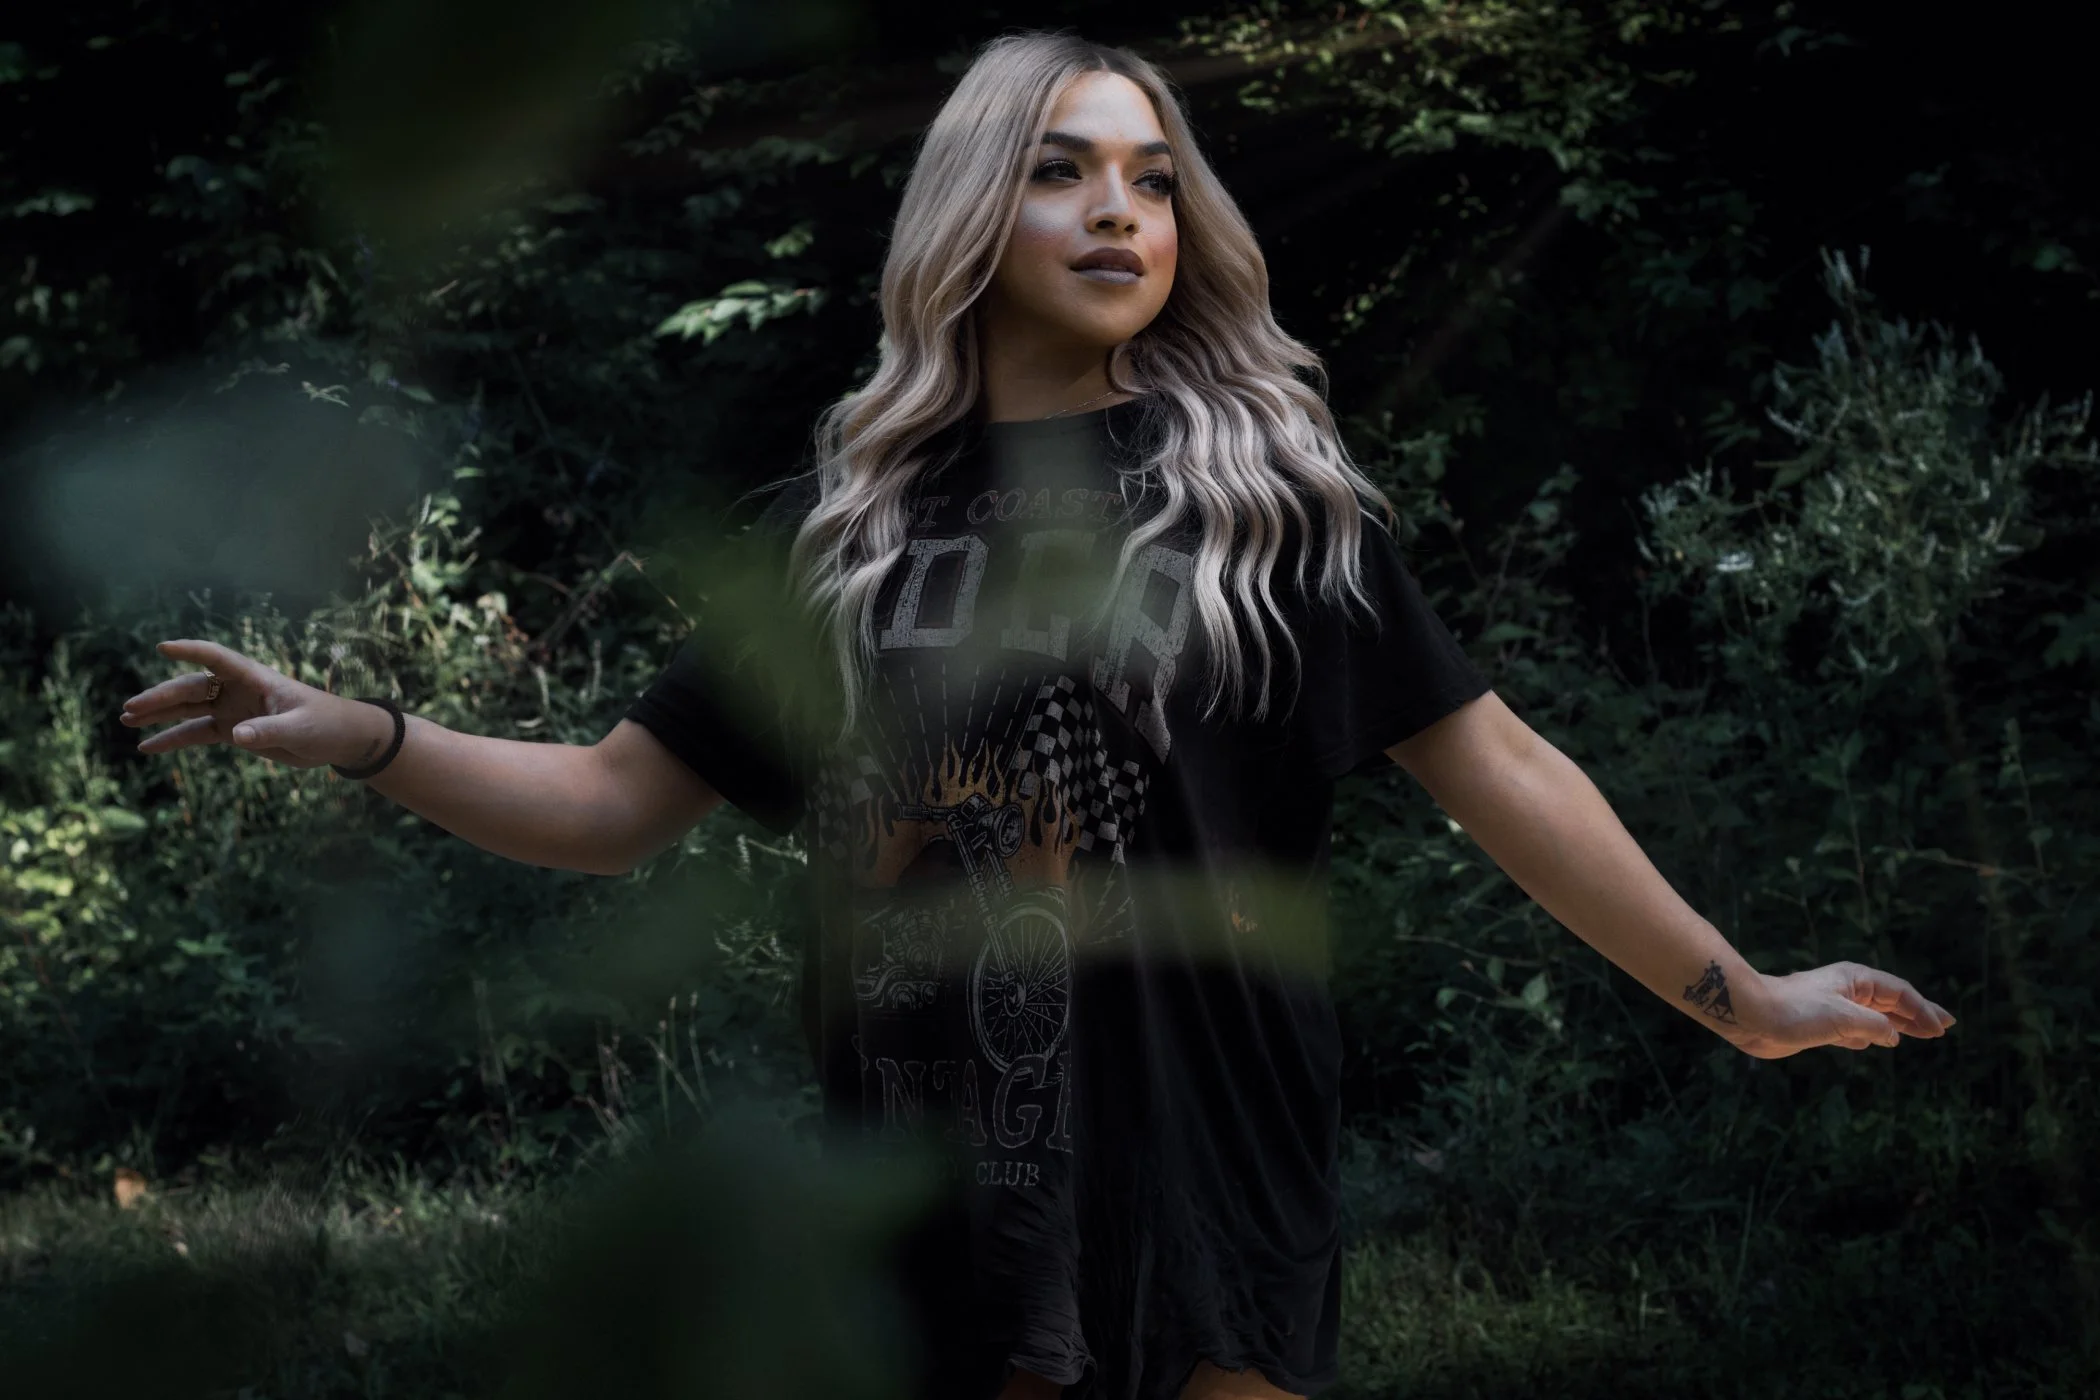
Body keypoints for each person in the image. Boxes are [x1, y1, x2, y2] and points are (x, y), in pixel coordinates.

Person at [120, 29, 1958, 1400]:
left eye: (1153, 177)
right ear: (972, 208)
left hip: (1213, 1178)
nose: (1120, 211)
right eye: (1067, 169)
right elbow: (610, 801)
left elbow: (1500, 769)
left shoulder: (1261, 504)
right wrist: (365, 727)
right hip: (925, 1200)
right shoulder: (847, 536)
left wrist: (1745, 1001)